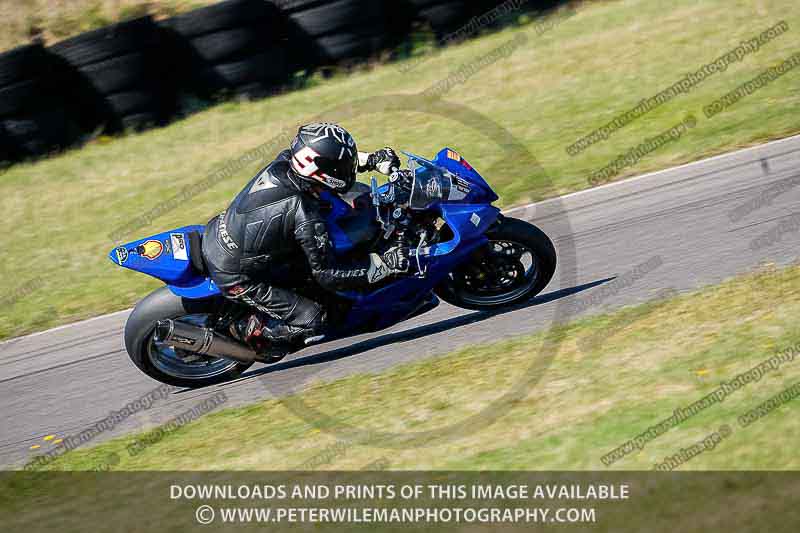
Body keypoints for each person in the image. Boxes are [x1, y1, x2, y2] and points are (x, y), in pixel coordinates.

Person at [202, 122, 413, 357]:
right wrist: (385, 265)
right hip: (237, 276)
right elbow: (328, 275)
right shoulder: (304, 214)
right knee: (314, 318)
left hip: (226, 238)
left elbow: (320, 166)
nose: (347, 168)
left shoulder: (286, 162)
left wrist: (369, 160)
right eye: (343, 165)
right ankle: (250, 333)